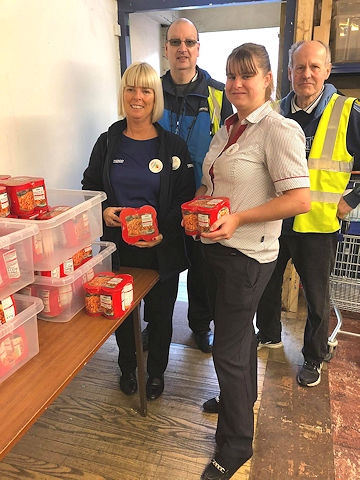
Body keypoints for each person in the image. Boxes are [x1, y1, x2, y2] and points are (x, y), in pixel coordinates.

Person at [197, 44, 310, 480]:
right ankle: (238, 402)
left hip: (248, 255)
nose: (237, 84)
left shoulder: (278, 130)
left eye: (247, 75)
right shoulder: (229, 127)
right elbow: (222, 183)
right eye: (231, 76)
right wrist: (202, 209)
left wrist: (238, 217)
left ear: (268, 80)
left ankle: (237, 444)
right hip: (218, 249)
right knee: (238, 338)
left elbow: (299, 199)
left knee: (226, 349)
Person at [81, 62, 195, 401]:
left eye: (146, 90)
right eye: (131, 88)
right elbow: (90, 186)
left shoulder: (173, 146)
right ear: (123, 94)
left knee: (160, 317)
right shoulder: (108, 142)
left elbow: (185, 198)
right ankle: (128, 367)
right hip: (120, 248)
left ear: (155, 97)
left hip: (162, 247)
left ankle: (156, 372)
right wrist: (105, 210)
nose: (137, 96)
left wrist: (166, 230)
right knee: (124, 313)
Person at [256, 40, 360, 388]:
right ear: (289, 73)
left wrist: (353, 199)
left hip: (318, 224)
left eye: (315, 67)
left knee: (316, 297)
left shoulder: (347, 111)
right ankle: (268, 334)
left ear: (327, 71)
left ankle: (313, 356)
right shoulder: (273, 112)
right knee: (266, 284)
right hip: (275, 219)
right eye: (299, 67)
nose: (307, 74)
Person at [142, 18, 233, 354]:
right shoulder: (151, 90)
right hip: (158, 199)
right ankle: (155, 324)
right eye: (175, 42)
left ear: (198, 48)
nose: (182, 49)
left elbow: (228, 146)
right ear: (166, 49)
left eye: (189, 42)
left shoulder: (219, 93)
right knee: (158, 266)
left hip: (200, 198)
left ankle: (199, 325)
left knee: (201, 268)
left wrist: (210, 190)